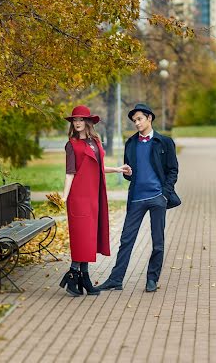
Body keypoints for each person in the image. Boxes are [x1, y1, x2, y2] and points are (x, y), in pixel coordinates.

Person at [98, 103, 181, 293]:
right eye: (134, 120)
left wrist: (165, 194)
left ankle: (152, 279)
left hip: (157, 197)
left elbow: (173, 170)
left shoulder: (164, 142)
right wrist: (127, 172)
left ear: (149, 118)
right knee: (126, 240)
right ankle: (115, 279)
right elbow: (130, 173)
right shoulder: (131, 143)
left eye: (139, 119)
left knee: (157, 241)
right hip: (136, 198)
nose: (136, 123)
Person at [59, 105, 132, 297]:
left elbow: (98, 167)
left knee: (89, 238)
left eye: (81, 120)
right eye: (75, 120)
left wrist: (117, 169)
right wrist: (64, 197)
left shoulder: (95, 142)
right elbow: (70, 172)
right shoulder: (71, 145)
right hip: (78, 197)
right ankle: (74, 276)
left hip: (94, 196)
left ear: (88, 122)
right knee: (82, 239)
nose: (78, 123)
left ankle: (83, 276)